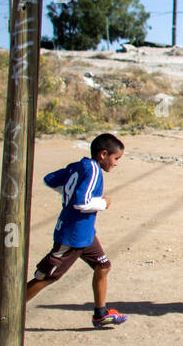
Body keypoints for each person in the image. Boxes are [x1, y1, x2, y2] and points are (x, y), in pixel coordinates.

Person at [15, 133, 127, 328]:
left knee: (103, 266)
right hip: (73, 236)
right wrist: (103, 203)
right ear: (103, 154)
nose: (116, 164)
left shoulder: (78, 166)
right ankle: (7, 310)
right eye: (116, 158)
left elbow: (49, 179)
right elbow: (81, 203)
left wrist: (69, 190)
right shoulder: (93, 170)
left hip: (86, 234)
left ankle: (100, 313)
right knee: (48, 277)